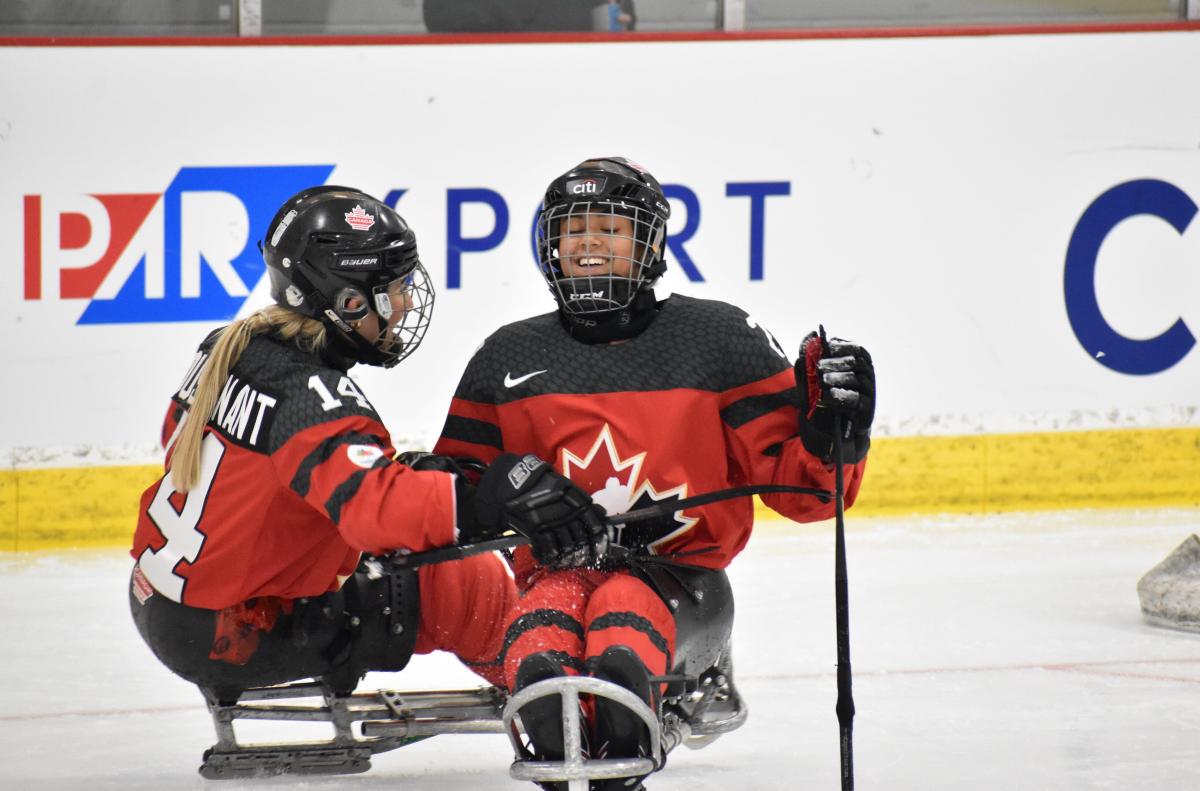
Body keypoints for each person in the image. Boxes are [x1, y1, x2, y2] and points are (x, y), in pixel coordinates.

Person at [432, 157, 875, 790]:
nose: (588, 242)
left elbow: (806, 495)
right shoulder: (507, 354)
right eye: (573, 229)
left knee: (619, 621)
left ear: (650, 244)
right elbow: (453, 487)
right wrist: (496, 483)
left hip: (681, 584)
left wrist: (837, 437)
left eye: (610, 228)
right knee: (542, 637)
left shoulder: (718, 338)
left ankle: (621, 758)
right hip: (553, 577)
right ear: (549, 246)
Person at [129, 186, 605, 707]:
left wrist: (409, 483)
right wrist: (483, 500)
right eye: (392, 289)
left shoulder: (229, 346)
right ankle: (571, 701)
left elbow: (211, 459)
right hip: (242, 635)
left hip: (162, 609)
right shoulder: (313, 399)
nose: (404, 304)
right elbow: (376, 515)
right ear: (347, 302)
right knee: (463, 582)